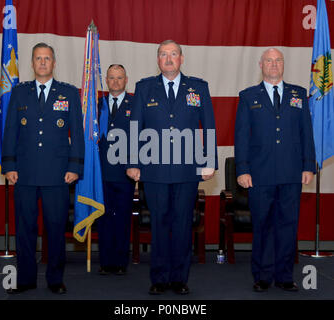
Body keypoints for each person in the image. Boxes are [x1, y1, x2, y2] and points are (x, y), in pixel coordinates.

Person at [127, 40, 217, 295]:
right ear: (157, 60)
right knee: (159, 224)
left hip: (187, 170)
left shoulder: (198, 87)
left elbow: (208, 125)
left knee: (181, 224)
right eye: (163, 54)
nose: (168, 59)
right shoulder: (145, 88)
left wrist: (209, 160)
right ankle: (159, 277)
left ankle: (179, 278)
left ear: (182, 58)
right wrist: (133, 162)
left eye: (173, 54)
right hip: (154, 170)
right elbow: (135, 128)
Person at [1, 42, 84, 294]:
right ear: (32, 63)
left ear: (54, 63)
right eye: (38, 58)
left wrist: (75, 166)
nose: (43, 62)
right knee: (25, 228)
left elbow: (77, 134)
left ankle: (55, 279)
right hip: (24, 172)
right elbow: (11, 130)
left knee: (56, 227)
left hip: (57, 172)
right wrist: (9, 164)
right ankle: (25, 279)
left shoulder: (68, 93)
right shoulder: (20, 92)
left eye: (47, 58)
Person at [234, 48, 316, 292]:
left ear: (283, 64)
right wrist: (242, 169)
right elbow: (241, 137)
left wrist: (308, 165)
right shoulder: (248, 96)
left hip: (292, 173)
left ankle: (284, 276)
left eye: (278, 60)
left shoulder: (298, 94)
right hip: (260, 174)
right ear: (261, 65)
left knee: (288, 225)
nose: (273, 64)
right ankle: (262, 275)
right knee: (262, 225)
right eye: (269, 60)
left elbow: (306, 133)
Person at [97, 64, 135, 275]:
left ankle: (120, 262)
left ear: (126, 79)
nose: (115, 82)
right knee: (103, 218)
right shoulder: (97, 105)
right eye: (111, 78)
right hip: (102, 172)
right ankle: (105, 262)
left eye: (119, 78)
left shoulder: (135, 104)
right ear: (106, 80)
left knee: (121, 218)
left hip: (125, 173)